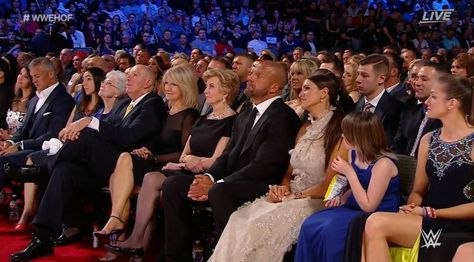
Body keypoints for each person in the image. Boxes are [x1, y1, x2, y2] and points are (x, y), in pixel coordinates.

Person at [9, 65, 167, 262]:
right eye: (128, 74)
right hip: (106, 165)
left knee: (88, 133)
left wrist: (89, 122)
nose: (128, 77)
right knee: (64, 170)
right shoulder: (124, 103)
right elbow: (109, 133)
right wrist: (87, 125)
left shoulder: (153, 103)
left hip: (131, 166)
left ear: (148, 83)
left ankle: (42, 168)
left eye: (134, 75)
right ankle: (41, 238)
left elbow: (130, 136)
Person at [160, 61, 301, 261]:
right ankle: (176, 257)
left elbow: (264, 165)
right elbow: (227, 155)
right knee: (173, 184)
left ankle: (226, 255)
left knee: (220, 191)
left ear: (274, 87)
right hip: (233, 180)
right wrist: (208, 176)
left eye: (257, 75)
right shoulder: (245, 114)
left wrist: (217, 183)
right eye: (251, 72)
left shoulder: (283, 117)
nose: (250, 78)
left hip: (261, 183)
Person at [209, 70, 348, 261]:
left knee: (258, 225)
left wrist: (295, 196)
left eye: (307, 89)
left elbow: (331, 185)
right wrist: (282, 189)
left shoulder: (340, 129)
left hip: (316, 200)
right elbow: (289, 173)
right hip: (290, 196)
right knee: (238, 219)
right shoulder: (304, 128)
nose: (300, 93)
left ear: (324, 93)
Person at [105, 68, 239, 259]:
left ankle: (138, 241)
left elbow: (215, 160)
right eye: (206, 86)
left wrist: (190, 161)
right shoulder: (203, 118)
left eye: (211, 87)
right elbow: (185, 154)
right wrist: (185, 161)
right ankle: (136, 239)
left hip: (205, 174)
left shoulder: (231, 121)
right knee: (150, 177)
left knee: (156, 180)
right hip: (184, 168)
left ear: (225, 92)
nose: (206, 91)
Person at [364, 75, 474, 262]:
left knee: (377, 223)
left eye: (433, 97)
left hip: (462, 224)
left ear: (452, 103)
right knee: (372, 222)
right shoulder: (428, 139)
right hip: (429, 217)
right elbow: (418, 190)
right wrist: (412, 205)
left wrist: (431, 212)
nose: (427, 102)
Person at [93, 64, 200, 240]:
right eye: (166, 83)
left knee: (125, 160)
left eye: (174, 84)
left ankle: (118, 225)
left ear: (185, 86)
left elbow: (184, 153)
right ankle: (120, 236)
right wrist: (147, 150)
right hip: (152, 163)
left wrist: (154, 156)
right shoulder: (163, 111)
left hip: (169, 168)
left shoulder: (189, 115)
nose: (168, 88)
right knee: (117, 176)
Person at [10, 67, 107, 233]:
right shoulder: (79, 104)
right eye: (83, 79)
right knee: (37, 159)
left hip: (86, 156)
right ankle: (29, 213)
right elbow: (65, 130)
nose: (84, 83)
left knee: (50, 166)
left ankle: (37, 173)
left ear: (99, 81)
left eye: (89, 79)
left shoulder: (102, 107)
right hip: (66, 148)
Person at [295, 112, 400, 262]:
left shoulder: (383, 165)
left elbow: (369, 205)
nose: (342, 136)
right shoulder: (354, 153)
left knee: (330, 230)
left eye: (346, 133)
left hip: (376, 213)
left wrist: (350, 173)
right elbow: (351, 186)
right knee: (310, 224)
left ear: (359, 137)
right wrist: (338, 197)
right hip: (353, 206)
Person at [0, 58, 75, 194]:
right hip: (26, 147)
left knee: (2, 160)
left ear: (51, 74)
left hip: (42, 151)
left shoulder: (63, 100)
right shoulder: (34, 99)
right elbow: (23, 129)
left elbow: (53, 134)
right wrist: (10, 141)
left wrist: (20, 145)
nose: (34, 80)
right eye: (33, 76)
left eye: (37, 76)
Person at [391, 62, 445, 156]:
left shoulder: (446, 118)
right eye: (417, 78)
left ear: (441, 83)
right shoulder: (409, 112)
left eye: (424, 79)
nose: (417, 83)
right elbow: (396, 147)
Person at [355, 54, 403, 144]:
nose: (358, 79)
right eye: (358, 74)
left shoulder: (397, 109)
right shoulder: (356, 105)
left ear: (381, 79)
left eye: (364, 75)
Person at [0, 66, 35, 142]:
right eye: (20, 73)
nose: (20, 77)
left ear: (33, 80)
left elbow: (30, 132)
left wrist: (10, 138)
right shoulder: (15, 100)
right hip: (6, 141)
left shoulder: (33, 102)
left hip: (20, 144)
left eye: (25, 77)